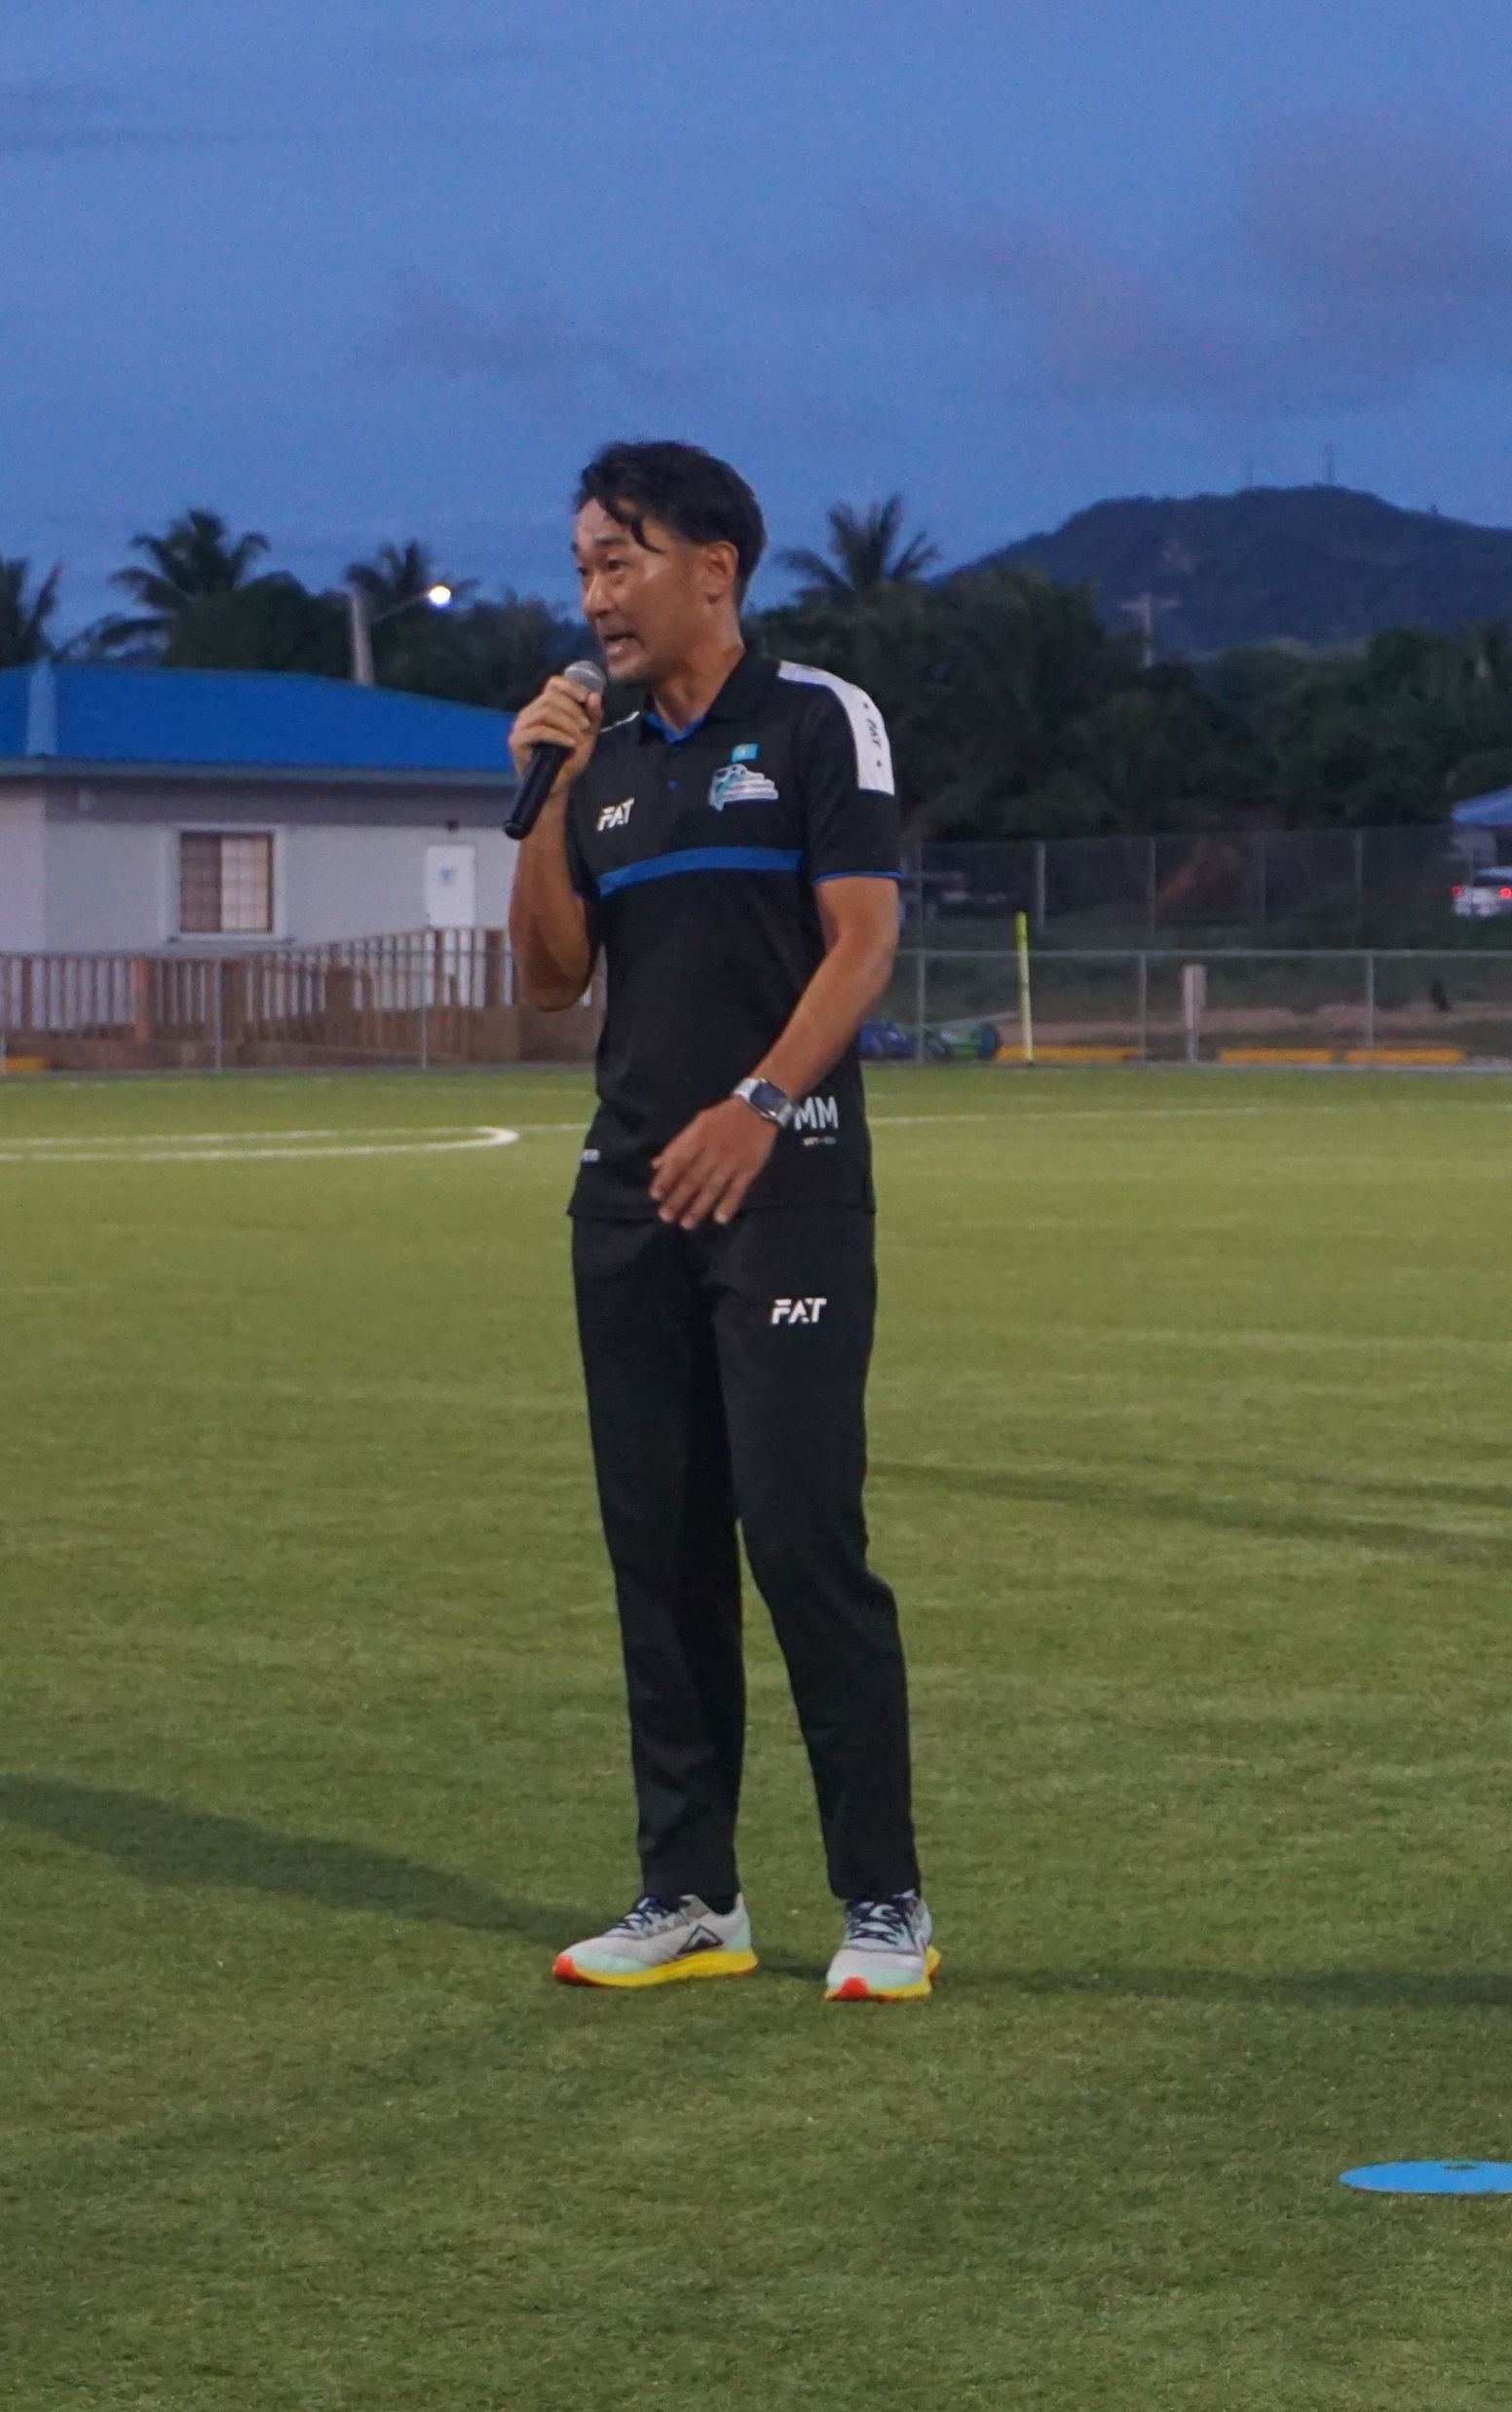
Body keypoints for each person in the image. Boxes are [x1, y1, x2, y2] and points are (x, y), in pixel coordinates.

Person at [508, 440, 935, 2004]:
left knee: (803, 1541)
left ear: (714, 568)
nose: (595, 598)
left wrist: (757, 1104)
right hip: (627, 1198)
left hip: (787, 1185)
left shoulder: (817, 720)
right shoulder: (604, 760)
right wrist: (547, 793)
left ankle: (883, 1902)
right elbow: (550, 979)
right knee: (660, 1551)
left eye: (618, 562)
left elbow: (863, 943)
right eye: (581, 568)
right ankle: (691, 1896)